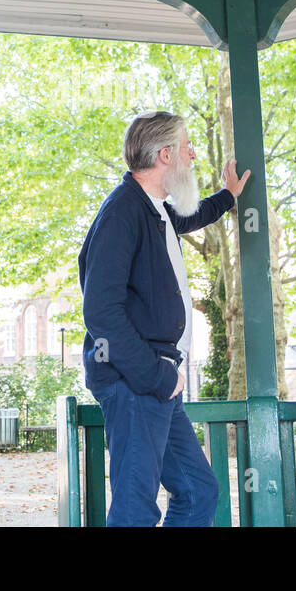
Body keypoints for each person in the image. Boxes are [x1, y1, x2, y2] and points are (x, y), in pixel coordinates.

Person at [80, 110, 249, 526]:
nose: (193, 154)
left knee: (197, 490)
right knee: (136, 508)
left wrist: (228, 197)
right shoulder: (122, 213)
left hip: (157, 384)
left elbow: (190, 216)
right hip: (137, 381)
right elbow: (101, 312)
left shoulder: (154, 210)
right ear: (165, 155)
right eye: (187, 146)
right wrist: (156, 376)